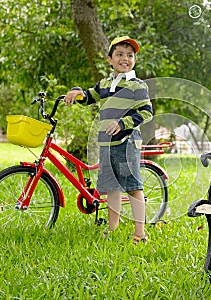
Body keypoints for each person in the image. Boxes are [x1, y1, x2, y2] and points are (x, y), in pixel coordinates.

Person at [64, 36, 153, 243]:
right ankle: (112, 229)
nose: (125, 58)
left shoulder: (137, 85)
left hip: (127, 142)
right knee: (111, 186)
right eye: (120, 54)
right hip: (106, 143)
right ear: (110, 59)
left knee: (132, 186)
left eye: (130, 55)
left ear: (134, 60)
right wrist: (76, 92)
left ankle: (140, 232)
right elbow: (88, 97)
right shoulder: (104, 84)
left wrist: (122, 123)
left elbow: (147, 112)